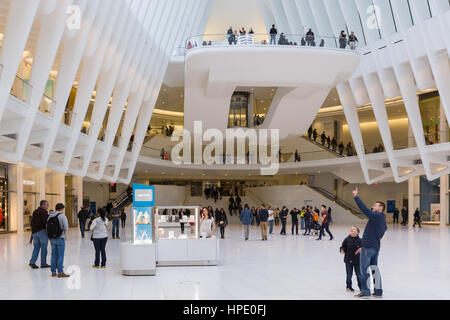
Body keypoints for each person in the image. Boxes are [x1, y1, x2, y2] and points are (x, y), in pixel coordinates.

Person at [352, 187, 387, 299]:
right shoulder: (381, 218)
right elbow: (382, 231)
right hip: (374, 247)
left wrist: (356, 196)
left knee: (363, 270)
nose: (373, 206)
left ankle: (365, 292)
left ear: (381, 208)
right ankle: (378, 292)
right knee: (374, 269)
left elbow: (365, 210)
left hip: (368, 248)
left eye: (375, 205)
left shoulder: (376, 216)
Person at [48, 203, 70, 278]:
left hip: (52, 239)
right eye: (63, 209)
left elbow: (47, 228)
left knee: (53, 255)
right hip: (60, 237)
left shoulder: (50, 216)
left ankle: (53, 272)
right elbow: (66, 228)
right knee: (60, 255)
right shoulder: (62, 216)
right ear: (61, 209)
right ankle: (60, 272)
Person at [29, 200, 51, 269]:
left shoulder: (35, 211)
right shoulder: (43, 212)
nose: (47, 206)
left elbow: (32, 222)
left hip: (35, 233)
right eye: (47, 204)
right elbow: (45, 222)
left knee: (36, 248)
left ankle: (32, 262)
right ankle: (43, 263)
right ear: (43, 205)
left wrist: (32, 233)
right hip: (42, 232)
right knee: (44, 248)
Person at [340, 226, 362, 293]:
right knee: (349, 274)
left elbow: (362, 248)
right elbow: (343, 246)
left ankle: (361, 287)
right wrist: (342, 250)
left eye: (354, 229)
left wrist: (362, 250)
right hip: (348, 260)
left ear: (357, 232)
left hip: (357, 260)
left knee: (359, 274)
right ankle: (348, 286)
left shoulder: (360, 240)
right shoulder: (347, 239)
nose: (352, 230)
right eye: (351, 229)